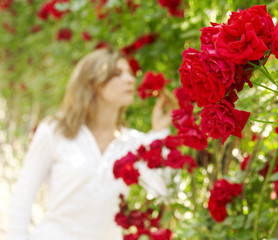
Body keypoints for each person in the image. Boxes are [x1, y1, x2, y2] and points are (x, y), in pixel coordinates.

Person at [7, 49, 175, 240]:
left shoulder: (134, 143)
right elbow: (23, 198)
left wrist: (160, 133)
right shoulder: (54, 132)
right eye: (117, 74)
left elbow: (165, 192)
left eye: (130, 73)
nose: (130, 80)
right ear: (93, 83)